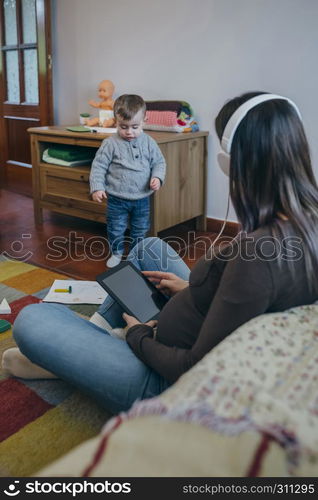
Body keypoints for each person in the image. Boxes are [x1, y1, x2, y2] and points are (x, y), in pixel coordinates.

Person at [2, 91, 318, 416]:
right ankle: (90, 342)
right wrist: (190, 289)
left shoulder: (257, 257)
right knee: (148, 247)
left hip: (165, 377)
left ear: (235, 163)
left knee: (31, 319)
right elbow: (251, 303)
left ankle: (83, 353)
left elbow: (191, 366)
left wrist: (138, 335)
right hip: (194, 320)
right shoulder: (306, 220)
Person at [89, 94, 166, 267]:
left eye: (135, 127)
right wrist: (97, 187)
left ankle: (135, 255)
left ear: (144, 121)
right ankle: (116, 252)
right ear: (115, 121)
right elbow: (98, 166)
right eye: (123, 127)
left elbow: (159, 162)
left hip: (142, 198)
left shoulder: (149, 142)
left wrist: (157, 178)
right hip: (117, 197)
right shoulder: (110, 144)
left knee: (140, 229)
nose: (129, 132)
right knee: (116, 228)